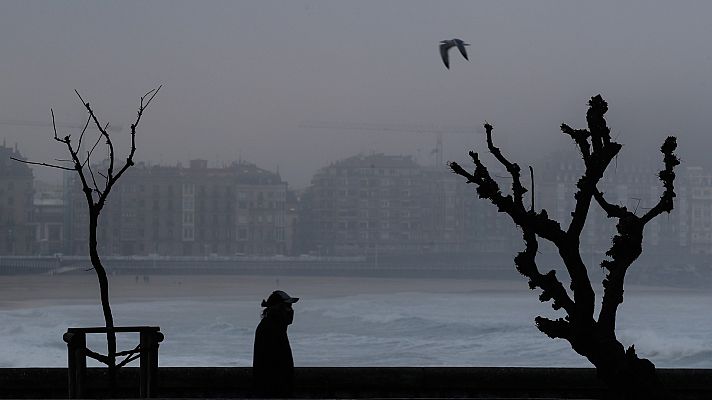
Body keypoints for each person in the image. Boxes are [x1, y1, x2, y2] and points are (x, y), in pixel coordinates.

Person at [253, 290, 299, 397]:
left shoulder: (274, 325)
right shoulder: (271, 328)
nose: (290, 310)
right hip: (274, 390)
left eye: (291, 306)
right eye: (287, 306)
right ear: (276, 308)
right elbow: (274, 365)